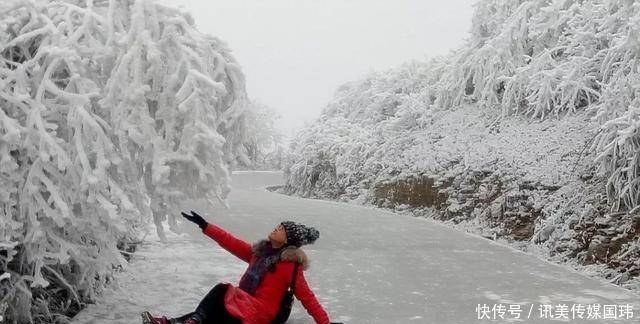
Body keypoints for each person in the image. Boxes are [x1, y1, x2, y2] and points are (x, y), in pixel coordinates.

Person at [141, 211, 341, 324]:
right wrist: (205, 225)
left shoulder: (290, 266)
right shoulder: (259, 253)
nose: (276, 228)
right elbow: (231, 242)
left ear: (289, 240)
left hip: (261, 313)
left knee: (221, 293)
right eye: (278, 225)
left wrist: (326, 323)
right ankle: (174, 322)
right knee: (216, 308)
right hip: (243, 303)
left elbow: (308, 297)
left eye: (282, 229)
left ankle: (182, 322)